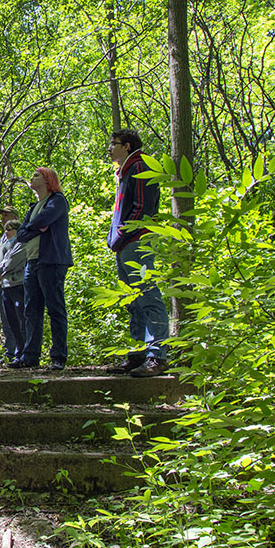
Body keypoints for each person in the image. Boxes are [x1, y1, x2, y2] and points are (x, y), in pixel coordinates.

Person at [105, 129, 171, 377]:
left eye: (114, 144)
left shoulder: (140, 166)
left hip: (137, 242)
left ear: (128, 145)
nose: (110, 149)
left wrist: (122, 235)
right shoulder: (125, 171)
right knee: (133, 301)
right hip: (124, 244)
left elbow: (143, 208)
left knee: (147, 295)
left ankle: (158, 356)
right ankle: (139, 353)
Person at [11, 167, 73, 370]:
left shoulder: (57, 201)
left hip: (51, 260)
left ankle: (58, 357)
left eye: (36, 175)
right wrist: (35, 227)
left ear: (48, 181)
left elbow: (42, 221)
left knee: (55, 308)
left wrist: (35, 225)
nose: (32, 177)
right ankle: (30, 356)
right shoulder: (34, 206)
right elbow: (20, 234)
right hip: (32, 262)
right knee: (32, 310)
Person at [0, 219, 26, 365]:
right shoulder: (4, 241)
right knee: (9, 321)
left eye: (9, 229)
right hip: (4, 285)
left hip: (17, 284)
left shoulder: (21, 242)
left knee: (20, 320)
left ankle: (22, 353)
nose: (6, 231)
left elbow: (13, 261)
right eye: (5, 229)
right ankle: (13, 354)